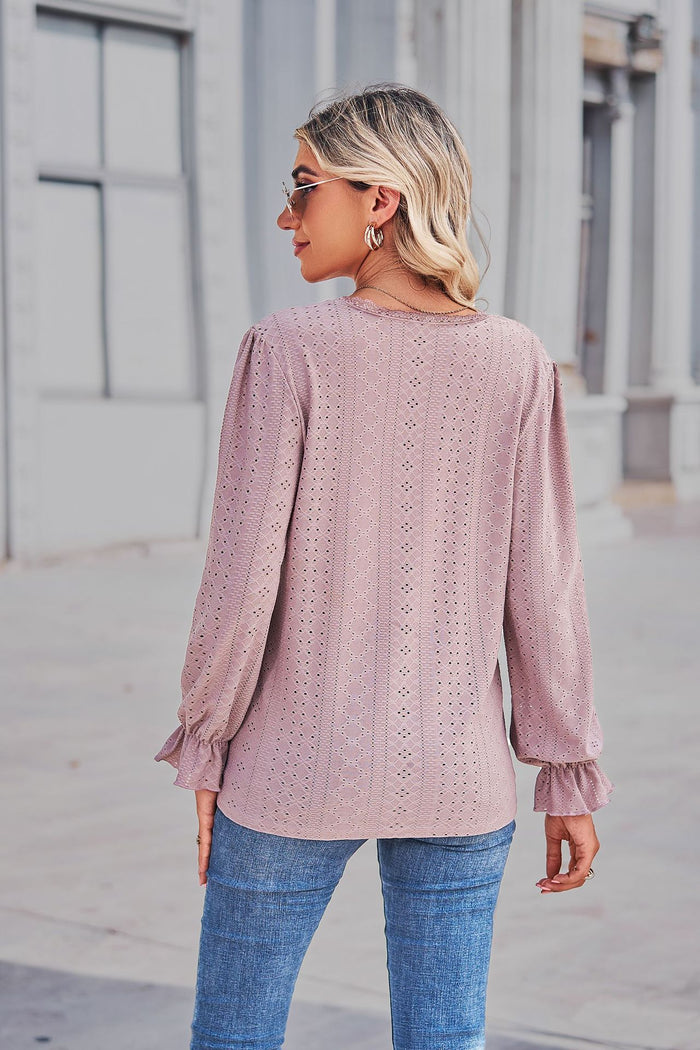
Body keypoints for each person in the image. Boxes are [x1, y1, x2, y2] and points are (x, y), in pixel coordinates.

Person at [154, 82, 614, 1050]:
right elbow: (545, 589)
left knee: (233, 1037)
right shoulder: (518, 361)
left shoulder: (288, 349)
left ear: (380, 199)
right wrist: (565, 771)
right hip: (459, 775)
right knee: (445, 1039)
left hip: (291, 769)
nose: (285, 215)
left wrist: (205, 737)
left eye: (302, 186)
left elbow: (239, 585)